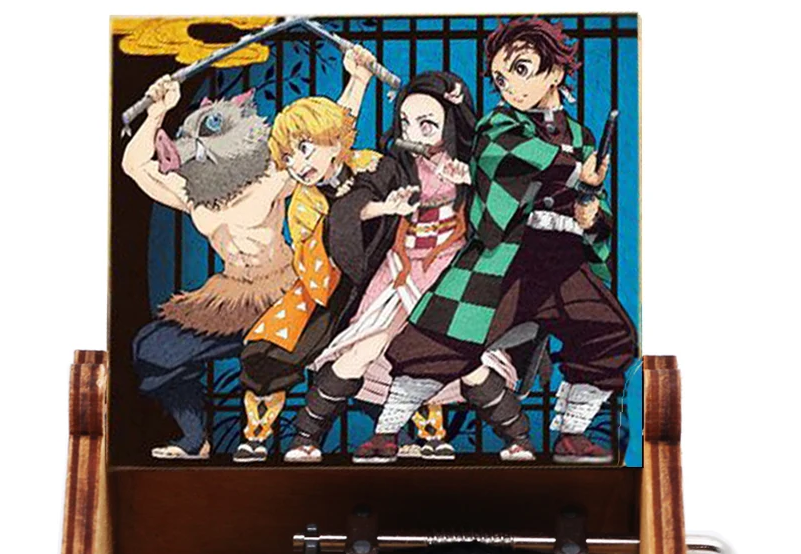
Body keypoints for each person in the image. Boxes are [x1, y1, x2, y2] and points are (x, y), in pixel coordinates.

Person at [382, 17, 638, 463]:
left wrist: (591, 214)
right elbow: (513, 157)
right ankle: (386, 431)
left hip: (564, 261)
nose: (509, 87)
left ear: (555, 72)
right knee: (440, 340)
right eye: (500, 78)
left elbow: (595, 206)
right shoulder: (498, 125)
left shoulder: (582, 135)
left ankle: (571, 434)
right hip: (510, 258)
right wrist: (577, 172)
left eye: (520, 69)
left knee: (609, 336)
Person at [124, 44, 374, 460]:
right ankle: (194, 439)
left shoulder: (271, 174)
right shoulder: (190, 190)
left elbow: (325, 134)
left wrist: (359, 80)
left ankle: (287, 435)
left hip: (283, 293)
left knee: (282, 363)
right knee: (152, 349)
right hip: (227, 299)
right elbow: (134, 166)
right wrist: (156, 113)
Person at [282, 71, 514, 464]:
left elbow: (505, 213)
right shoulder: (394, 166)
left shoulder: (476, 162)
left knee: (466, 360)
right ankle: (306, 437)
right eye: (406, 122)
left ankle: (517, 437)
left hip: (451, 271)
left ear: (451, 121)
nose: (414, 133)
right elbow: (355, 202)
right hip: (402, 269)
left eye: (427, 124)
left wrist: (475, 183)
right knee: (365, 348)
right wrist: (384, 207)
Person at [233, 87, 396, 461]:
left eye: (304, 149)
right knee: (269, 351)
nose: (297, 164)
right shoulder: (303, 202)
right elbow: (310, 263)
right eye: (288, 158)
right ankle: (258, 434)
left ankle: (422, 431)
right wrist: (338, 224)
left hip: (388, 275)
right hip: (331, 290)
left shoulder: (372, 163)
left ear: (334, 140)